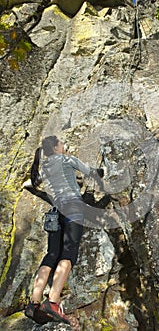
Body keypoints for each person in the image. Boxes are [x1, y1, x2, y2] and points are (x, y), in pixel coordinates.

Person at [24, 135, 104, 325]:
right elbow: (92, 173)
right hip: (73, 208)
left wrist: (30, 185)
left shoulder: (44, 167)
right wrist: (104, 171)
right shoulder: (67, 159)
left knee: (51, 254)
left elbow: (32, 183)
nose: (64, 145)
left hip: (55, 211)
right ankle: (52, 302)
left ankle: (34, 303)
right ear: (57, 147)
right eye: (61, 143)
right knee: (68, 254)